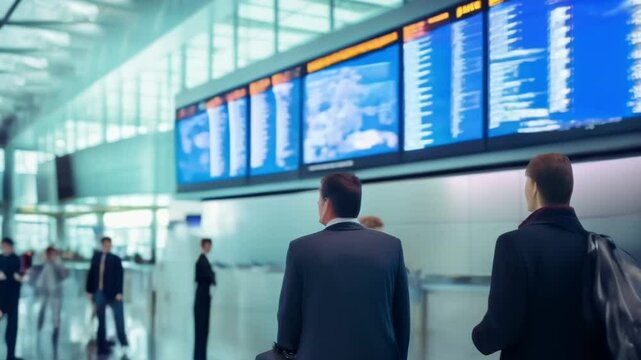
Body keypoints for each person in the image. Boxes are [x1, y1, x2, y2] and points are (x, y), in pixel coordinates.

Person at [472, 154, 610, 360]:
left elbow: (501, 327)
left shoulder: (513, 244)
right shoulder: (598, 245)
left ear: (534, 187)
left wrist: (479, 336)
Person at [275, 173, 410, 360]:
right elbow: (401, 317)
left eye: (318, 198)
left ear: (327, 203)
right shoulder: (391, 246)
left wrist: (285, 351)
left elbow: (288, 317)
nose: (317, 204)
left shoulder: (302, 248)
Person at [86, 237, 129, 356]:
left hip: (114, 293)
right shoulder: (96, 258)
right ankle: (102, 345)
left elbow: (120, 277)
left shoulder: (115, 259)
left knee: (119, 319)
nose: (107, 246)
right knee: (101, 320)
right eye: (105, 244)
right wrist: (89, 290)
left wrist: (119, 292)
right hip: (99, 292)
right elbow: (91, 274)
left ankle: (123, 343)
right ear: (102, 245)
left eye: (109, 245)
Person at [35, 246, 68, 349]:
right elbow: (35, 272)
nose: (52, 255)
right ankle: (39, 325)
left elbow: (64, 275)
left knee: (56, 313)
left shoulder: (58, 262)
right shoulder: (42, 261)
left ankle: (55, 331)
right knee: (42, 309)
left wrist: (56, 263)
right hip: (44, 291)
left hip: (56, 292)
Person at [0, 238, 24, 360]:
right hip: (0, 299)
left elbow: (20, 275)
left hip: (12, 299)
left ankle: (11, 355)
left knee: (12, 329)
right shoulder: (0, 258)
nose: (5, 248)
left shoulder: (16, 259)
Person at [194, 238, 216, 360]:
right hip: (201, 300)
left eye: (210, 245)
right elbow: (209, 278)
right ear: (203, 246)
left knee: (203, 331)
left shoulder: (205, 260)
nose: (209, 247)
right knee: (201, 331)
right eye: (207, 245)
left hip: (204, 299)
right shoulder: (201, 261)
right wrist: (212, 276)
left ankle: (201, 357)